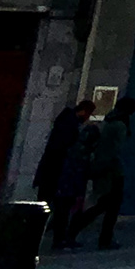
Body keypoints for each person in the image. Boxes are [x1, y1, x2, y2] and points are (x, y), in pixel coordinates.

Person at [66, 94, 135, 250]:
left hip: (104, 168)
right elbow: (114, 150)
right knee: (107, 206)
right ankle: (89, 234)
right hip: (111, 171)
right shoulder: (119, 125)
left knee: (104, 205)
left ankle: (82, 232)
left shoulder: (109, 121)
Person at [34, 95, 94, 247]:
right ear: (83, 111)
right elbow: (64, 150)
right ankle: (57, 238)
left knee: (48, 205)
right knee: (60, 207)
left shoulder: (64, 122)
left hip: (52, 171)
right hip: (58, 173)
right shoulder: (70, 126)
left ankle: (43, 235)